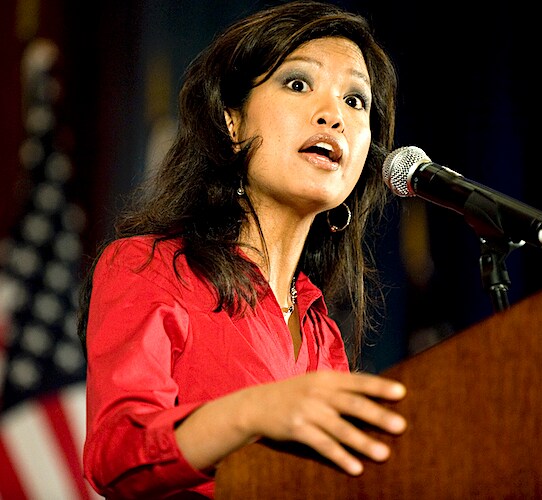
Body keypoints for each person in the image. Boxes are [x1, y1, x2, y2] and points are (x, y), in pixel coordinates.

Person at [78, 1, 407, 498]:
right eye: (299, 84)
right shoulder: (150, 267)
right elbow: (118, 453)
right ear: (231, 124)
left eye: (356, 101)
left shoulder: (323, 334)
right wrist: (257, 412)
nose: (333, 115)